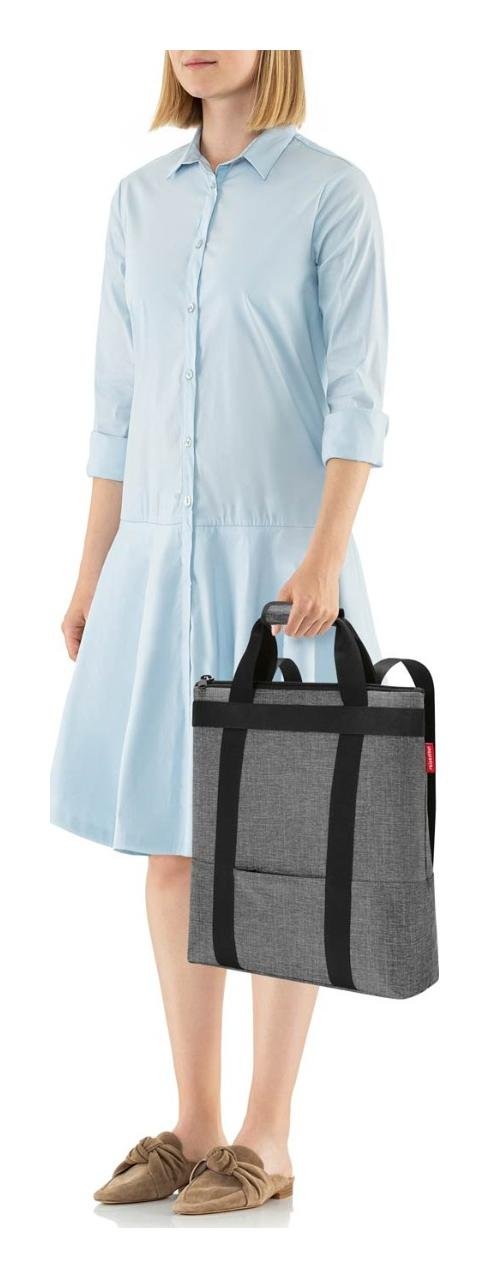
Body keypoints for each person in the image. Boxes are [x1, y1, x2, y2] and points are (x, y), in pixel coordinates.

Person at [50, 50, 389, 1216]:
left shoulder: (332, 193)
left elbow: (356, 395)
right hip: (156, 564)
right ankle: (195, 1127)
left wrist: (326, 554)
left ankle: (268, 1136)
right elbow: (116, 406)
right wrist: (93, 571)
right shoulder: (136, 202)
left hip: (282, 573)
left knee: (279, 851)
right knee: (172, 848)